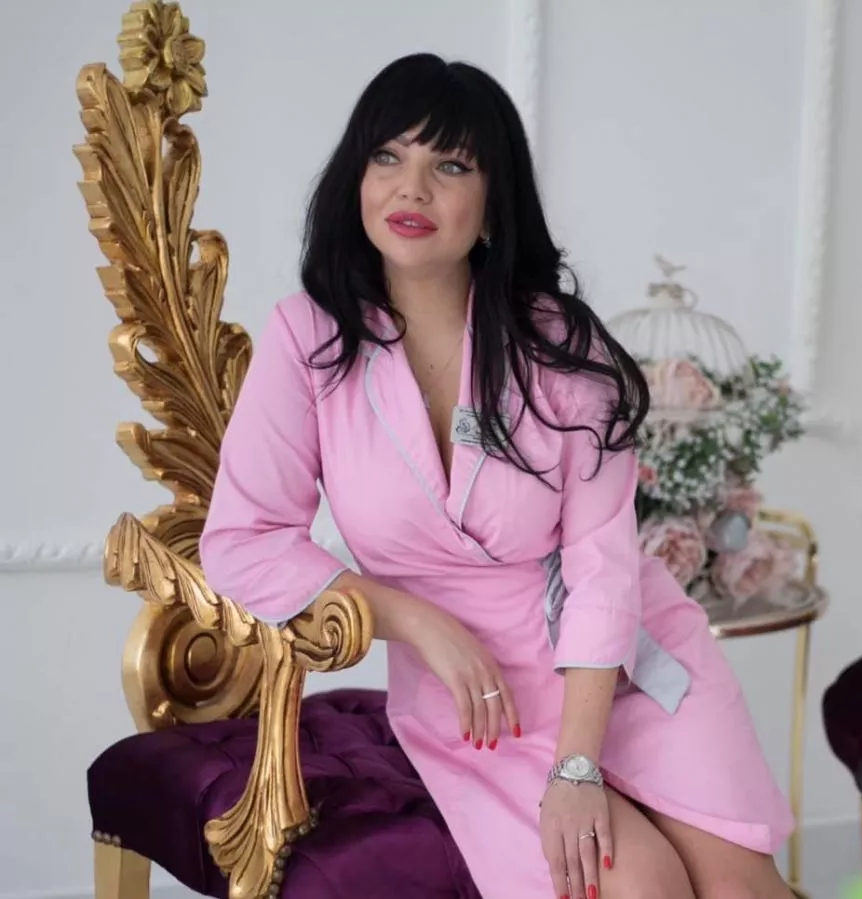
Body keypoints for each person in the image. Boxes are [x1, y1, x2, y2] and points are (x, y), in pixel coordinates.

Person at [199, 52, 795, 899]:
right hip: (481, 701)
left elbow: (602, 567)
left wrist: (578, 766)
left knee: (743, 891)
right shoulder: (309, 339)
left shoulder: (562, 347)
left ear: (491, 202)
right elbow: (244, 540)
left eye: (450, 165)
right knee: (641, 886)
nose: (411, 187)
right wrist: (414, 619)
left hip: (624, 662)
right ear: (356, 177)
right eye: (387, 156)